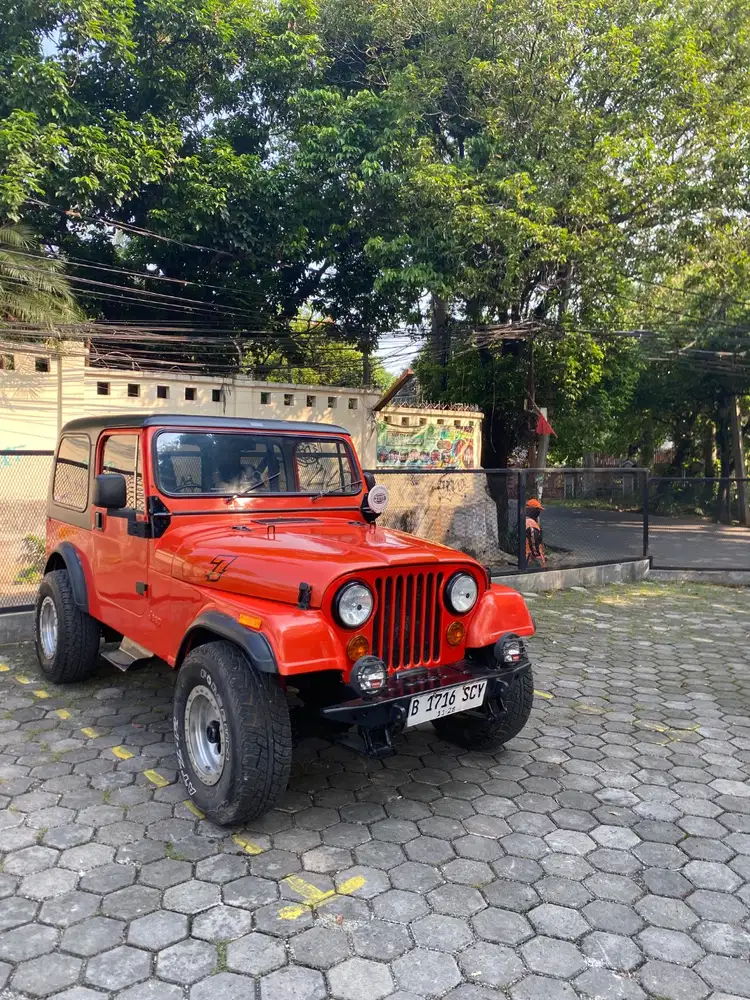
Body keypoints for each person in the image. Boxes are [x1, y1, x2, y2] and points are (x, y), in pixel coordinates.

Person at [525, 498, 547, 568]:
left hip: (527, 557)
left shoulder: (525, 521)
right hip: (533, 559)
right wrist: (537, 556)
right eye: (537, 510)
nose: (538, 512)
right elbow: (534, 541)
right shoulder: (531, 523)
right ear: (532, 510)